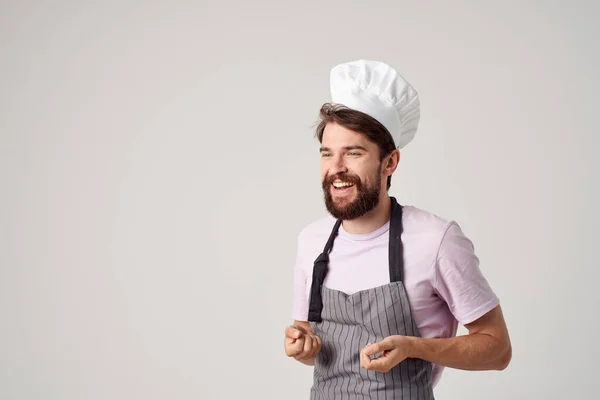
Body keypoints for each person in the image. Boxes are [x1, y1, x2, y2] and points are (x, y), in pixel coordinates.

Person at [283, 60, 512, 399]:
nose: (336, 168)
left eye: (353, 153)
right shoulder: (312, 242)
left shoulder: (436, 240)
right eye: (327, 153)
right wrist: (302, 346)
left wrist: (414, 347)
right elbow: (310, 337)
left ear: (389, 162)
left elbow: (497, 349)